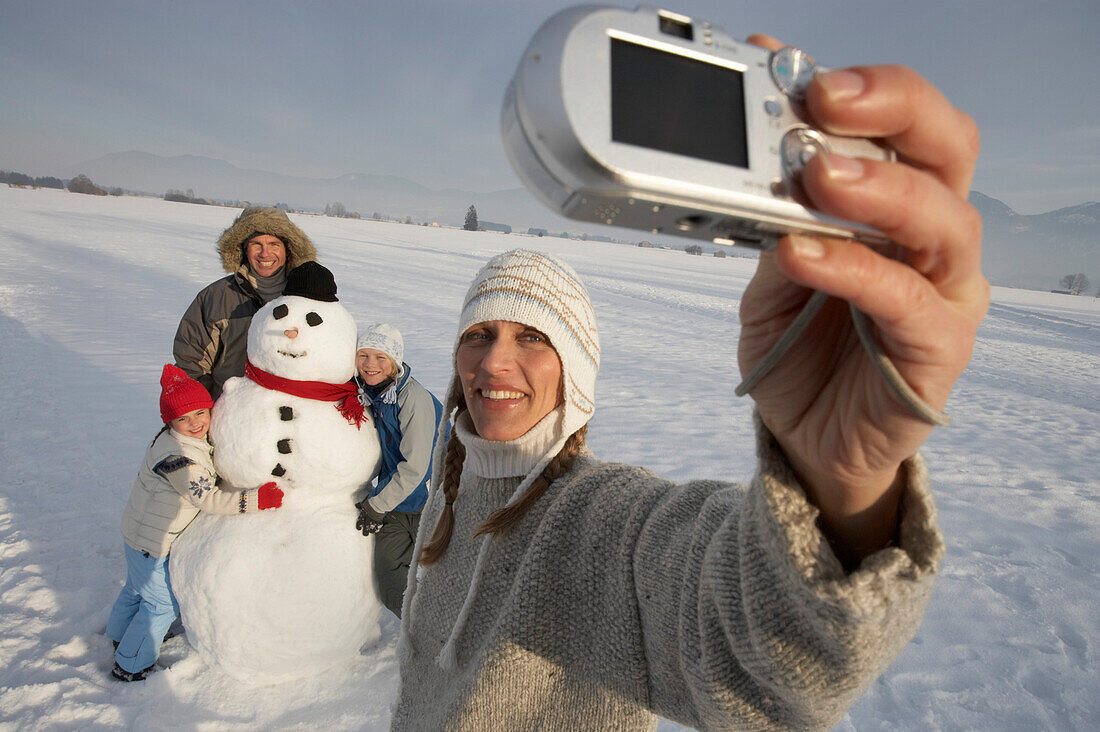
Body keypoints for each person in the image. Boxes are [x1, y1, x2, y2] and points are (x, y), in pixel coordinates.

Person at [390, 52, 988, 729]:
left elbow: (761, 656)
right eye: (480, 334)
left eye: (533, 338)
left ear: (577, 373)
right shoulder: (452, 492)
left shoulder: (600, 523)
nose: (494, 362)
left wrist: (841, 483)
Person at [106, 365, 284, 681]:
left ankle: (119, 634)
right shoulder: (179, 458)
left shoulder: (175, 440)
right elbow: (207, 498)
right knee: (162, 604)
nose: (195, 424)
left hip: (138, 533)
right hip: (152, 541)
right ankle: (131, 663)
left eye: (201, 413)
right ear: (170, 422)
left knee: (136, 588)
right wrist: (256, 500)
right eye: (183, 419)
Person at [173, 206, 318, 400]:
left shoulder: (308, 298)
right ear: (242, 248)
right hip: (230, 414)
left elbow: (327, 356)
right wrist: (198, 408)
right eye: (256, 244)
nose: (265, 254)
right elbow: (191, 364)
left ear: (288, 249)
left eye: (274, 244)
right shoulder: (217, 297)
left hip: (290, 418)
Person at [352, 323, 446, 618]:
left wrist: (376, 505)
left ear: (395, 362)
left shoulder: (412, 399)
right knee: (390, 575)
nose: (370, 365)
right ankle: (418, 628)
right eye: (363, 355)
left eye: (381, 358)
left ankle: (452, 633)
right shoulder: (369, 395)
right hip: (395, 501)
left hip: (433, 503)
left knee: (446, 574)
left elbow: (416, 467)